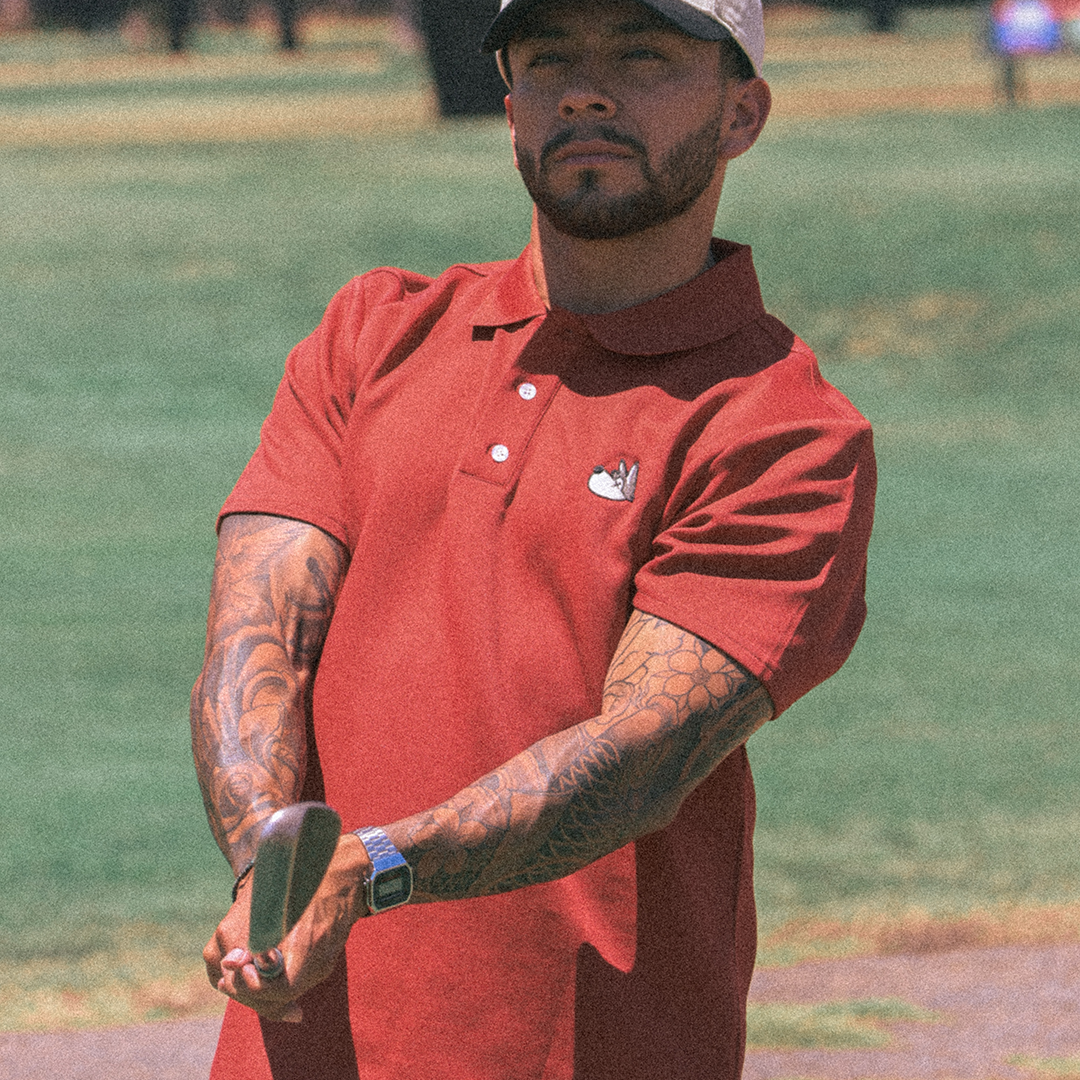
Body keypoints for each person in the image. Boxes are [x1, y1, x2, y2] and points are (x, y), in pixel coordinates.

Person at [191, 0, 877, 1077]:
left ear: (742, 113)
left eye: (644, 56)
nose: (587, 92)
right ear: (512, 105)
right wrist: (272, 869)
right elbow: (253, 643)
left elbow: (640, 757)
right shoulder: (371, 334)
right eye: (551, 56)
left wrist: (366, 871)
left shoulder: (781, 429)